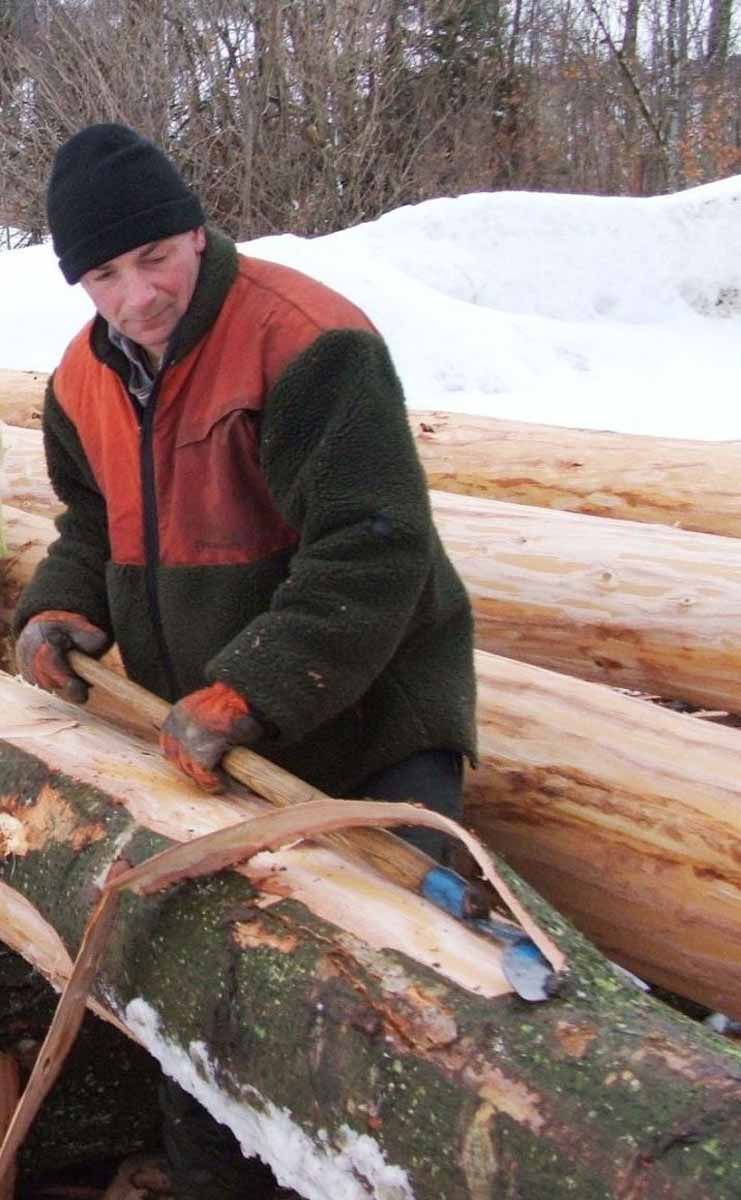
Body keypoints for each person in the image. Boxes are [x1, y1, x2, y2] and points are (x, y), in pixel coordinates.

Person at [13, 123, 477, 1198]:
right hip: (208, 741)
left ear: (195, 229)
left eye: (156, 258)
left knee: (400, 1007)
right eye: (104, 274)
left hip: (368, 726)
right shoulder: (83, 380)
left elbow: (373, 549)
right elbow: (90, 525)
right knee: (217, 1009)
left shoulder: (308, 341)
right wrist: (60, 605)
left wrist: (255, 688)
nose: (138, 295)